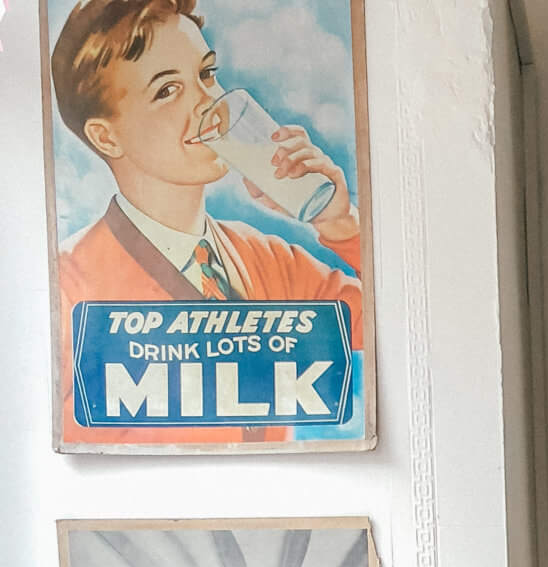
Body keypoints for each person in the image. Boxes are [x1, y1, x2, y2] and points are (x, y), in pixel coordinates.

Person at [49, 0, 363, 446]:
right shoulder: (67, 285)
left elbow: (406, 328)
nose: (208, 103)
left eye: (206, 74)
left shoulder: (269, 259)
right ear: (106, 136)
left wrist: (340, 223)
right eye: (166, 90)